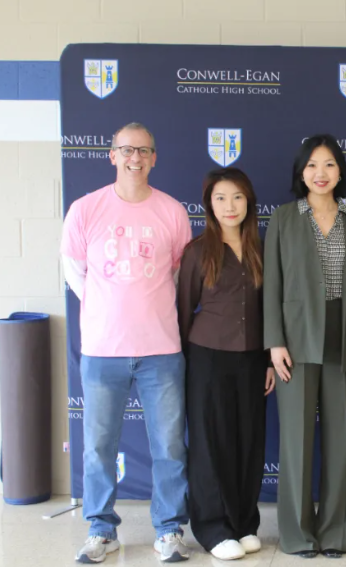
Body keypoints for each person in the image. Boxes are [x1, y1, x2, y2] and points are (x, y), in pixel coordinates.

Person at [61, 122, 192, 563]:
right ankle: (101, 530)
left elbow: (179, 275)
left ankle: (169, 530)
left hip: (162, 349)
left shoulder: (172, 211)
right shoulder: (85, 209)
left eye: (144, 151)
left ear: (154, 158)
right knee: (98, 447)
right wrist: (109, 306)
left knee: (169, 446)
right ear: (112, 155)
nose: (135, 158)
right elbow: (75, 272)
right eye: (127, 150)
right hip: (102, 350)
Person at [263, 134, 346, 559]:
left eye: (328, 165)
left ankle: (337, 533)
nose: (320, 173)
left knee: (342, 441)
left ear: (340, 172)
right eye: (311, 165)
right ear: (300, 172)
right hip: (295, 338)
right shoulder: (284, 218)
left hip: (343, 335)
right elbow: (271, 283)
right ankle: (297, 535)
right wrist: (274, 342)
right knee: (297, 442)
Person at [177, 167, 276, 560]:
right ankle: (213, 528)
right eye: (220, 198)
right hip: (208, 358)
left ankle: (244, 523)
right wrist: (185, 365)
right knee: (210, 444)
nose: (229, 205)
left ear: (248, 201)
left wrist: (268, 360)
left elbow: (270, 310)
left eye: (237, 197)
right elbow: (183, 311)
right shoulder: (198, 251)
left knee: (249, 442)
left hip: (252, 359)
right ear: (209, 204)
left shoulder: (261, 248)